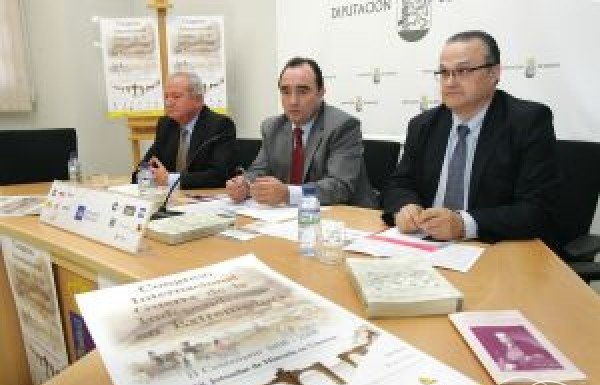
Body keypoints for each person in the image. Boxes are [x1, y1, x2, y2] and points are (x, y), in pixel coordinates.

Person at [381, 31, 558, 243]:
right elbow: (399, 184)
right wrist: (405, 207)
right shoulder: (423, 125)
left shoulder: (527, 122)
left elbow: (537, 209)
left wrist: (464, 224)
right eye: (444, 72)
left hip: (493, 246)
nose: (450, 82)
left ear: (494, 73)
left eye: (463, 71)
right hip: (425, 245)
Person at [226, 57, 376, 208]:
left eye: (303, 91)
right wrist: (245, 184)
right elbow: (259, 171)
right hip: (289, 214)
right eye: (285, 92)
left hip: (346, 214)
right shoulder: (272, 127)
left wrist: (288, 194)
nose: (293, 101)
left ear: (321, 92)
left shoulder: (342, 126)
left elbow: (339, 186)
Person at [132, 71, 237, 189]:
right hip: (171, 195)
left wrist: (169, 179)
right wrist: (145, 174)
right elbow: (146, 165)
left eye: (176, 96)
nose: (168, 102)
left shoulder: (219, 125)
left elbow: (219, 175)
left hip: (204, 196)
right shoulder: (166, 124)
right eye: (166, 97)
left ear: (198, 99)